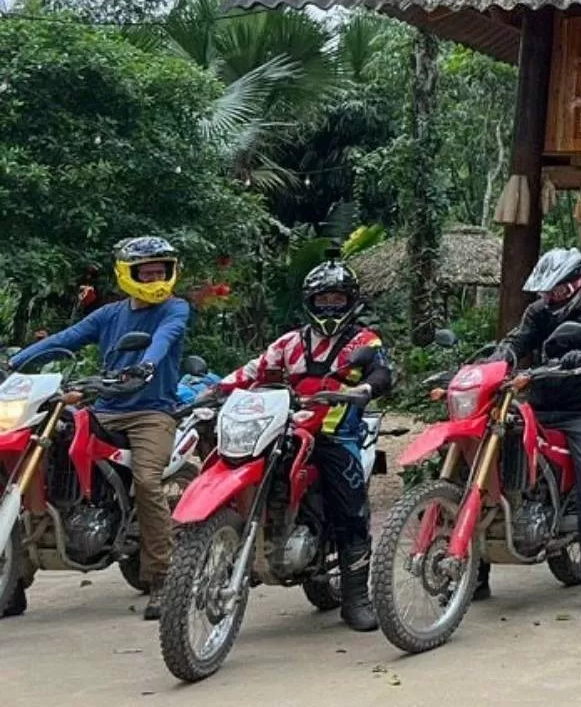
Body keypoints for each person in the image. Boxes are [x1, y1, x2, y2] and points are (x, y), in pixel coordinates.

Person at [3, 237, 191, 619]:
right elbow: (66, 339)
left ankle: (162, 579)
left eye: (160, 271)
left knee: (147, 481)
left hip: (152, 413)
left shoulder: (175, 308)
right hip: (105, 408)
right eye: (146, 272)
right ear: (128, 274)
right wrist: (14, 362)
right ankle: (15, 582)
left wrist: (147, 365)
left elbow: (163, 339)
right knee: (42, 456)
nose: (155, 278)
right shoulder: (109, 315)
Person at [210, 258, 391, 632]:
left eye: (337, 299)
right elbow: (253, 371)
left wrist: (365, 388)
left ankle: (357, 598)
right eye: (323, 299)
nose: (330, 307)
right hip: (287, 427)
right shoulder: (289, 342)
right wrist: (213, 390)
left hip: (336, 432)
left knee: (350, 510)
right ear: (310, 302)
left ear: (350, 301)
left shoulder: (364, 341)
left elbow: (382, 372)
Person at [490, 247, 581, 614]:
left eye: (558, 290)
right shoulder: (537, 312)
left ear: (576, 285)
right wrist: (497, 359)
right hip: (538, 407)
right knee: (491, 461)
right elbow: (517, 340)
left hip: (580, 414)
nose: (551, 297)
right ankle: (475, 572)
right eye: (547, 291)